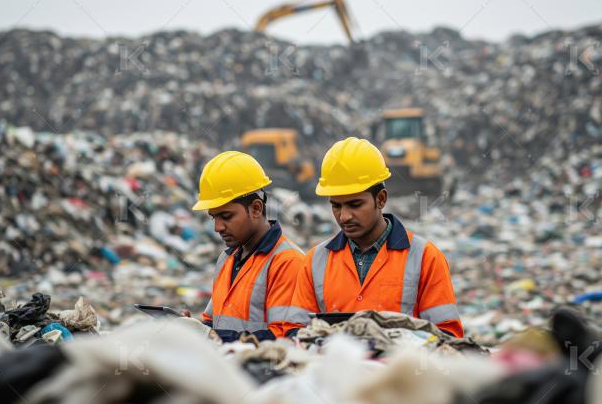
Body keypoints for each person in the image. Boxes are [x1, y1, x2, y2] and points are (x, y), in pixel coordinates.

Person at [289, 137, 464, 337]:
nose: (344, 216)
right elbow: (296, 334)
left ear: (380, 199)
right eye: (336, 205)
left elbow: (448, 337)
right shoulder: (314, 262)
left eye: (355, 205)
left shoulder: (425, 257)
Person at [192, 151, 306, 342]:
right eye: (214, 217)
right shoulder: (226, 260)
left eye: (226, 217)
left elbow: (284, 337)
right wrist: (193, 328)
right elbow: (213, 322)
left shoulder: (288, 262)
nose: (217, 227)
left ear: (256, 208)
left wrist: (213, 336)